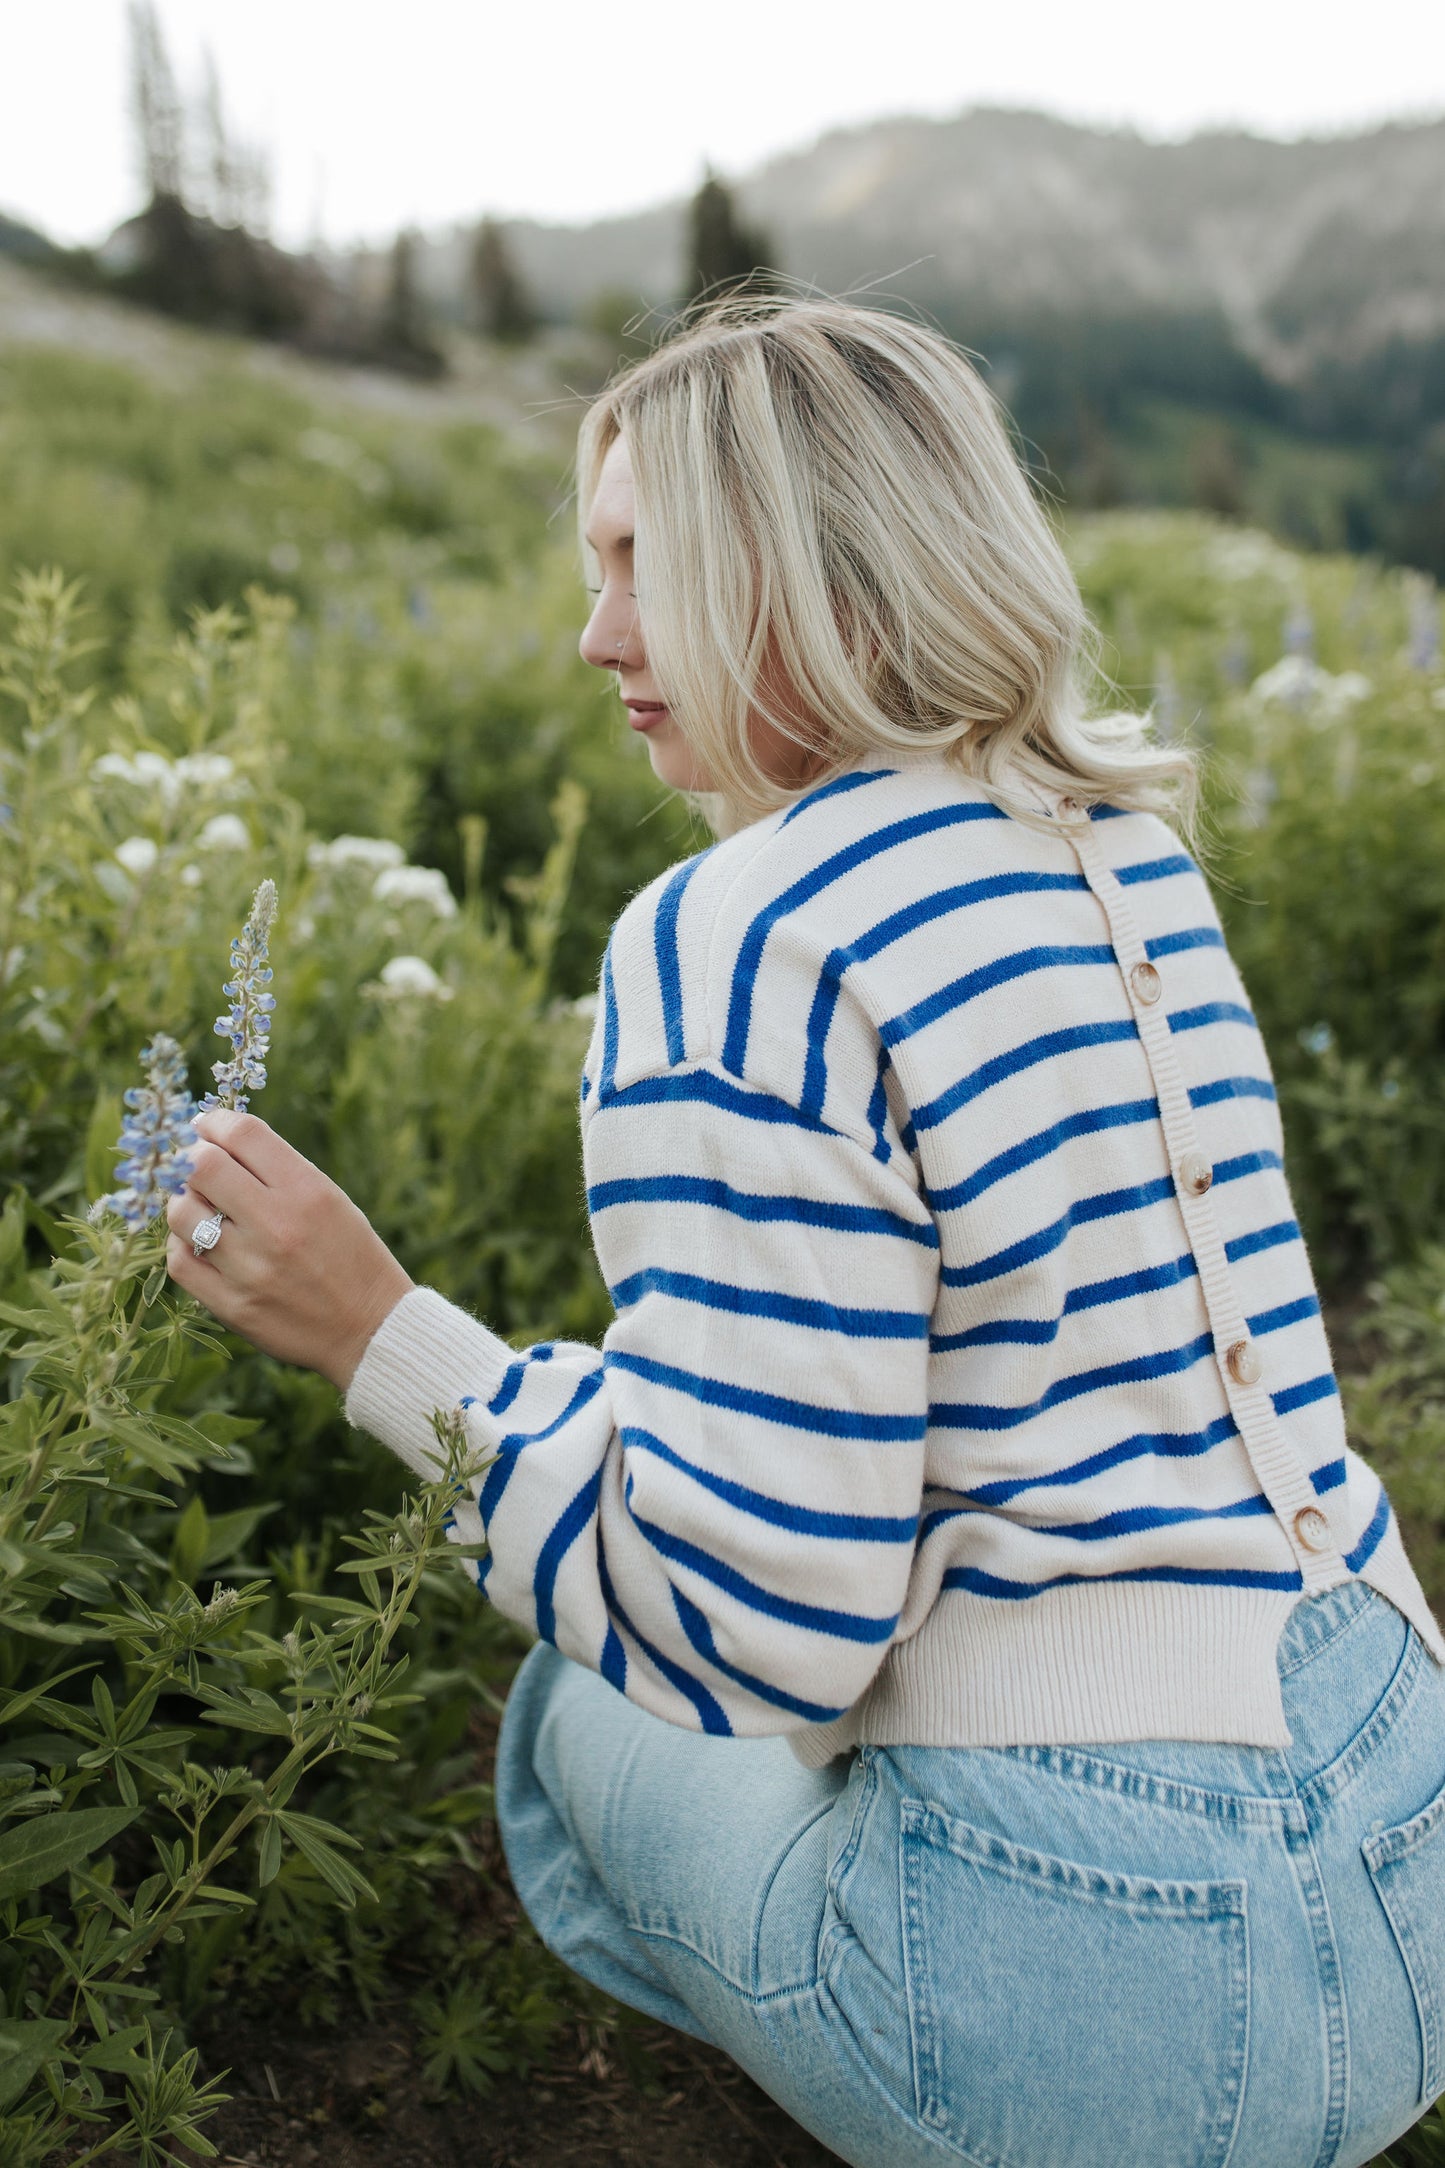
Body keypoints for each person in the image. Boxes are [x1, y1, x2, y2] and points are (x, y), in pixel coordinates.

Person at [167, 298, 1445, 2168]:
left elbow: (756, 1638)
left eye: (635, 563)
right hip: (1405, 1863)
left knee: (578, 1711)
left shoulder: (738, 932)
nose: (594, 635)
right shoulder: (1120, 847)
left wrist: (386, 1340)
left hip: (1108, 1991)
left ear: (806, 566)